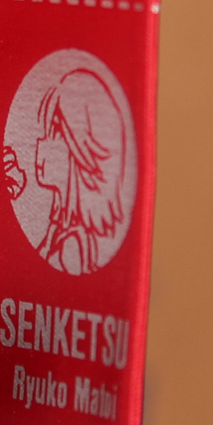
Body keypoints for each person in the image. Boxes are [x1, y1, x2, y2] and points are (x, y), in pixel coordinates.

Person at [34, 68, 125, 276]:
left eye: (55, 131)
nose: (40, 143)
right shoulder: (59, 231)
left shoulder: (70, 245)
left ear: (81, 154)